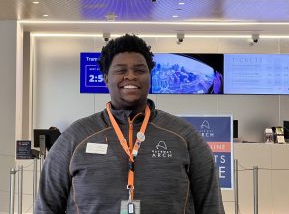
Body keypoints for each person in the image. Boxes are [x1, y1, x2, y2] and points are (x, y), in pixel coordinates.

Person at [35, 34, 225, 214]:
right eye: (121, 70)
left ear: (150, 77)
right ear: (106, 78)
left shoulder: (184, 136)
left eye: (140, 70)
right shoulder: (76, 137)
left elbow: (211, 206)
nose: (131, 76)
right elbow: (46, 206)